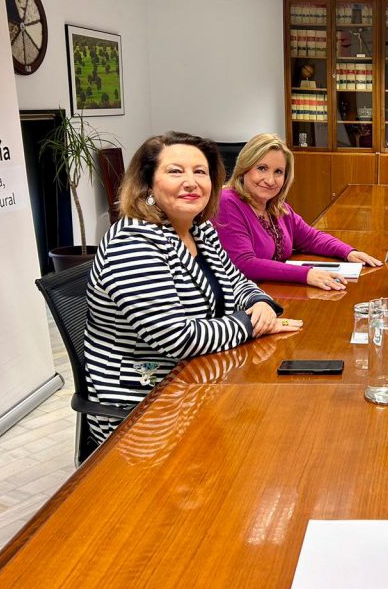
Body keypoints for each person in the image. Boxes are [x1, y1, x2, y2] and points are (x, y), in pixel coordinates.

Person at [84, 132, 301, 444]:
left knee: (283, 424)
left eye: (200, 172)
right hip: (147, 405)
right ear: (147, 183)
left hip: (202, 379)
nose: (191, 182)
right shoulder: (132, 244)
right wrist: (250, 323)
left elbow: (236, 280)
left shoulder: (200, 230)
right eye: (175, 171)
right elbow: (178, 338)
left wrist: (260, 303)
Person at [213, 133, 381, 290]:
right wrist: (306, 274)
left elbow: (311, 238)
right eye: (262, 168)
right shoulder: (226, 202)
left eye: (278, 172)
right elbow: (244, 264)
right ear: (244, 168)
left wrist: (348, 252)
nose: (270, 180)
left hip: (271, 291)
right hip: (239, 299)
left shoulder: (277, 207)